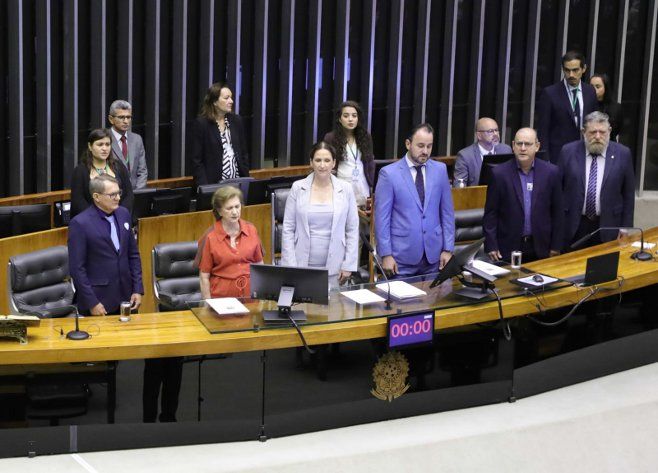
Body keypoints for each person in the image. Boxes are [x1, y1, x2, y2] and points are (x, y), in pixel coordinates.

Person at [374, 123, 455, 277]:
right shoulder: (389, 174)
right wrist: (385, 254)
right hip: (400, 258)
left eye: (429, 146)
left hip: (434, 257)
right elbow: (382, 218)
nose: (425, 151)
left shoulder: (440, 170)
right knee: (400, 301)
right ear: (408, 144)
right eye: (420, 146)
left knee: (435, 300)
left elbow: (447, 213)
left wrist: (448, 249)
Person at [281, 141, 359, 288]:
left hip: (336, 269)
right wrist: (290, 267)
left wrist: (349, 264)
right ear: (311, 162)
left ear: (334, 163)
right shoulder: (298, 188)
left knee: (333, 310)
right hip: (301, 269)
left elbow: (352, 229)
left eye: (327, 160)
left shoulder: (346, 189)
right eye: (318, 160)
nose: (322, 165)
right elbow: (288, 229)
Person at [483, 128, 563, 263]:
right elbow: (491, 214)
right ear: (513, 146)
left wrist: (556, 245)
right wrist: (491, 245)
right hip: (508, 247)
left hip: (541, 246)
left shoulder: (551, 172)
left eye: (528, 144)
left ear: (537, 146)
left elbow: (558, 212)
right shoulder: (499, 174)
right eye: (519, 144)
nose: (523, 148)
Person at [68, 174, 143, 316]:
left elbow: (133, 255)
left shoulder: (123, 214)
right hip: (99, 301)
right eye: (112, 195)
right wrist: (92, 302)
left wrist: (137, 289)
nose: (118, 198)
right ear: (96, 197)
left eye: (119, 193)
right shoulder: (80, 223)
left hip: (127, 299)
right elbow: (77, 269)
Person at [558, 111, 635, 249]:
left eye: (602, 132)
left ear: (610, 131)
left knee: (604, 268)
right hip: (574, 225)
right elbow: (558, 190)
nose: (598, 137)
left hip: (608, 226)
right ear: (583, 132)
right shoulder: (568, 151)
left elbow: (628, 194)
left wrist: (624, 228)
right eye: (593, 132)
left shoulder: (623, 154)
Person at [198, 186, 264, 299]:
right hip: (222, 300)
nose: (235, 212)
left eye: (237, 207)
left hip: (251, 298)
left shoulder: (251, 230)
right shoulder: (210, 237)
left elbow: (259, 266)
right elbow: (204, 277)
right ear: (219, 211)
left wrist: (263, 297)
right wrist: (208, 305)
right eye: (229, 208)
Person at [535, 50, 598, 163]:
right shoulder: (550, 93)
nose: (571, 75)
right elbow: (543, 130)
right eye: (567, 70)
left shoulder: (590, 92)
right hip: (559, 156)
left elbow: (595, 122)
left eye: (575, 70)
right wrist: (545, 160)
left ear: (584, 69)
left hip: (585, 153)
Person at [192, 82, 250, 186]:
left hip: (238, 182)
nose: (231, 101)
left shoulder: (236, 121)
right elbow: (197, 161)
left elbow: (243, 153)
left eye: (231, 97)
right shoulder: (202, 124)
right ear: (214, 101)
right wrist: (205, 187)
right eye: (226, 98)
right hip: (214, 185)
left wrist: (245, 176)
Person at [70, 128, 134, 219]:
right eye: (100, 144)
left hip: (118, 218)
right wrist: (99, 218)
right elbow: (78, 201)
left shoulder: (119, 166)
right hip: (92, 222)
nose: (104, 148)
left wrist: (120, 214)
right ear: (90, 146)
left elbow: (129, 195)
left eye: (107, 144)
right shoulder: (80, 171)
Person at [323, 100, 375, 207]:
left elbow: (369, 162)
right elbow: (327, 163)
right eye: (346, 116)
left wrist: (372, 183)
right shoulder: (331, 138)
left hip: (362, 184)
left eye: (354, 116)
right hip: (341, 183)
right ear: (340, 119)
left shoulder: (365, 137)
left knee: (362, 219)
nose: (350, 119)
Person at [453, 117, 513, 186]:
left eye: (496, 130)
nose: (495, 134)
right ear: (479, 135)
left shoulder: (505, 150)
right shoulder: (465, 156)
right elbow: (459, 187)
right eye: (490, 131)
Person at [108, 99, 148, 189]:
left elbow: (142, 171)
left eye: (128, 117)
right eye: (121, 117)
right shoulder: (105, 139)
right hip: (114, 195)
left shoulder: (137, 139)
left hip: (136, 193)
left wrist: (138, 193)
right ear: (111, 119)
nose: (126, 121)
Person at [590, 73, 624, 141]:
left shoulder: (616, 107)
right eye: (591, 86)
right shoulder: (585, 104)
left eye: (598, 86)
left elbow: (617, 130)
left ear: (605, 88)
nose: (593, 89)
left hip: (609, 144)